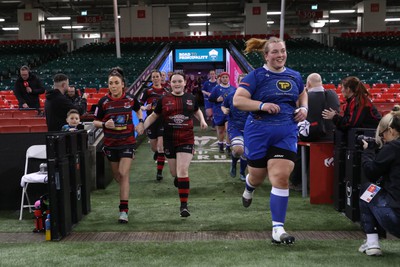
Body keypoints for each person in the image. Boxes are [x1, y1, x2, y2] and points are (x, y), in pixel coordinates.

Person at [233, 37, 308, 245]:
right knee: (257, 177)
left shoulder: (294, 75)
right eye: (275, 52)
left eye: (282, 51)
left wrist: (304, 108)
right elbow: (238, 101)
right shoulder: (255, 76)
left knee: (280, 177)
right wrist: (262, 105)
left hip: (286, 132)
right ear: (266, 55)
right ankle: (249, 187)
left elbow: (302, 94)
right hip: (258, 132)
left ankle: (278, 228)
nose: (280, 55)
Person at [143, 72, 208, 217]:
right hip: (169, 139)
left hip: (186, 138)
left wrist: (202, 120)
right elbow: (154, 115)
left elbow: (197, 111)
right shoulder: (164, 99)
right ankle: (179, 179)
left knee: (183, 170)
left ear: (184, 83)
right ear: (170, 83)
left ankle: (183, 206)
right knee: (175, 173)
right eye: (174, 82)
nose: (177, 84)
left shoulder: (191, 98)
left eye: (180, 81)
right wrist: (143, 125)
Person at [93, 67, 144, 224]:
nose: (113, 86)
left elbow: (138, 109)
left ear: (122, 84)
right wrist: (104, 124)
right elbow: (95, 122)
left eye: (116, 83)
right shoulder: (103, 102)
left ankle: (123, 211)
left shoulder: (130, 98)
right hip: (111, 144)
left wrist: (140, 122)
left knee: (123, 173)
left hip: (127, 142)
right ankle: (125, 190)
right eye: (110, 83)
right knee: (118, 176)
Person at [358, 105, 400, 256]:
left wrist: (368, 151)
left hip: (394, 216)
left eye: (383, 135)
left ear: (391, 130)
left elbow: (371, 172)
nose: (383, 139)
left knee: (367, 190)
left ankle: (372, 243)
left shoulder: (393, 147)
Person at [290, 73, 340, 190]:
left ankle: (297, 182)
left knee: (300, 151)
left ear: (308, 84)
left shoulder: (305, 98)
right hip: (330, 137)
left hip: (311, 137)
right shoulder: (332, 95)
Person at [139, 70, 170, 181]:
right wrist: (144, 108)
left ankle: (159, 172)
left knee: (161, 147)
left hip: (163, 120)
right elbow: (140, 104)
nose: (156, 78)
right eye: (154, 77)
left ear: (161, 78)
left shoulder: (166, 91)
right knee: (154, 147)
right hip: (151, 121)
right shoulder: (147, 91)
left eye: (158, 76)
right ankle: (156, 152)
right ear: (151, 78)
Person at [222, 73, 248, 181]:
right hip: (235, 126)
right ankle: (233, 162)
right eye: (241, 81)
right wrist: (224, 110)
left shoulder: (254, 95)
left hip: (250, 127)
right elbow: (224, 105)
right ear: (237, 82)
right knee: (238, 150)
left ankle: (242, 172)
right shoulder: (231, 95)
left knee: (246, 153)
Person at [209, 72, 235, 154]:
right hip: (219, 112)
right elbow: (210, 99)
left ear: (229, 78)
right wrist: (216, 100)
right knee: (221, 130)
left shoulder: (233, 89)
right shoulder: (216, 88)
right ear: (220, 78)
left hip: (229, 112)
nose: (225, 78)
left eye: (226, 77)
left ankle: (228, 146)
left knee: (228, 130)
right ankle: (220, 144)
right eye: (223, 77)